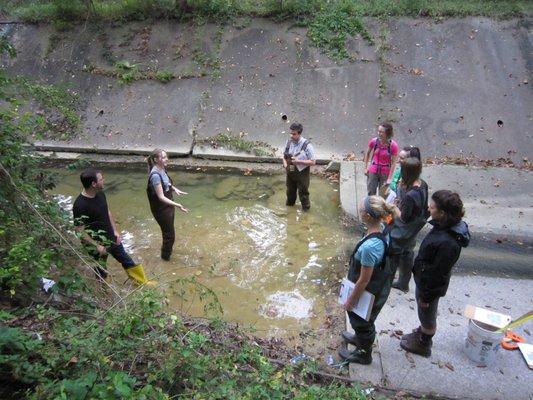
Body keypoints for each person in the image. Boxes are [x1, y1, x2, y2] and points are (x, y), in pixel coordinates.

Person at [400, 190, 470, 357]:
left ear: (442, 213)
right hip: (425, 280)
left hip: (429, 287)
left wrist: (426, 296)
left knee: (427, 315)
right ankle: (423, 333)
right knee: (424, 313)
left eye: (432, 207)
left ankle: (424, 343)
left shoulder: (448, 243)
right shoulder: (444, 226)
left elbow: (438, 274)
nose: (429, 208)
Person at [339, 196, 395, 365]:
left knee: (363, 322)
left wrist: (351, 300)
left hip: (370, 289)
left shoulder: (369, 248)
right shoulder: (382, 227)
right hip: (379, 283)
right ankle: (359, 338)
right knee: (360, 321)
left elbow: (363, 280)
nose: (359, 210)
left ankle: (364, 354)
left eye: (361, 209)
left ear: (368, 216)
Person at [73, 168, 152, 285]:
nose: (103, 180)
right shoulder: (80, 205)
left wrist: (115, 231)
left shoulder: (100, 193)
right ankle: (105, 293)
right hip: (95, 245)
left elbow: (107, 211)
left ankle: (142, 283)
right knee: (101, 270)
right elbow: (79, 231)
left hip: (110, 237)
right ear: (93, 184)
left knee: (126, 260)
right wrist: (96, 245)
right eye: (101, 179)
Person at [389, 157, 429, 292]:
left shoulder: (410, 196)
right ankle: (403, 282)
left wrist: (394, 207)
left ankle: (388, 279)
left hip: (405, 229)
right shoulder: (423, 184)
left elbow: (404, 218)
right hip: (415, 226)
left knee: (395, 252)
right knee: (408, 252)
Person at [146, 149, 189, 261]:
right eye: (163, 157)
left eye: (166, 157)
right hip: (161, 209)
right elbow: (160, 196)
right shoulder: (155, 175)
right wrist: (178, 205)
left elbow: (166, 183)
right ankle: (165, 258)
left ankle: (166, 252)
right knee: (169, 236)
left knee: (169, 232)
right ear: (156, 160)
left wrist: (175, 189)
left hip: (168, 206)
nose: (167, 159)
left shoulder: (161, 169)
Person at [282, 122, 316, 211]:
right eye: (290, 133)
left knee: (303, 195)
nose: (291, 136)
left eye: (294, 134)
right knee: (290, 193)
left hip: (302, 174)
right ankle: (289, 213)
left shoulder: (307, 145)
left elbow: (313, 162)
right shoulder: (288, 142)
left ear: (299, 133)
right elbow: (284, 157)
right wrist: (286, 166)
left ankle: (306, 215)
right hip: (290, 173)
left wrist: (299, 161)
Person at [363, 122, 399, 196]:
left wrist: (390, 178)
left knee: (383, 194)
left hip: (385, 172)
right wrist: (366, 167)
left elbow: (393, 162)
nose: (379, 133)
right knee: (371, 192)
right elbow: (367, 153)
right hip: (373, 170)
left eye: (381, 132)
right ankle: (370, 207)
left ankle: (380, 207)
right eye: (378, 131)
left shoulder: (393, 146)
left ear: (387, 133)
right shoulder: (374, 142)